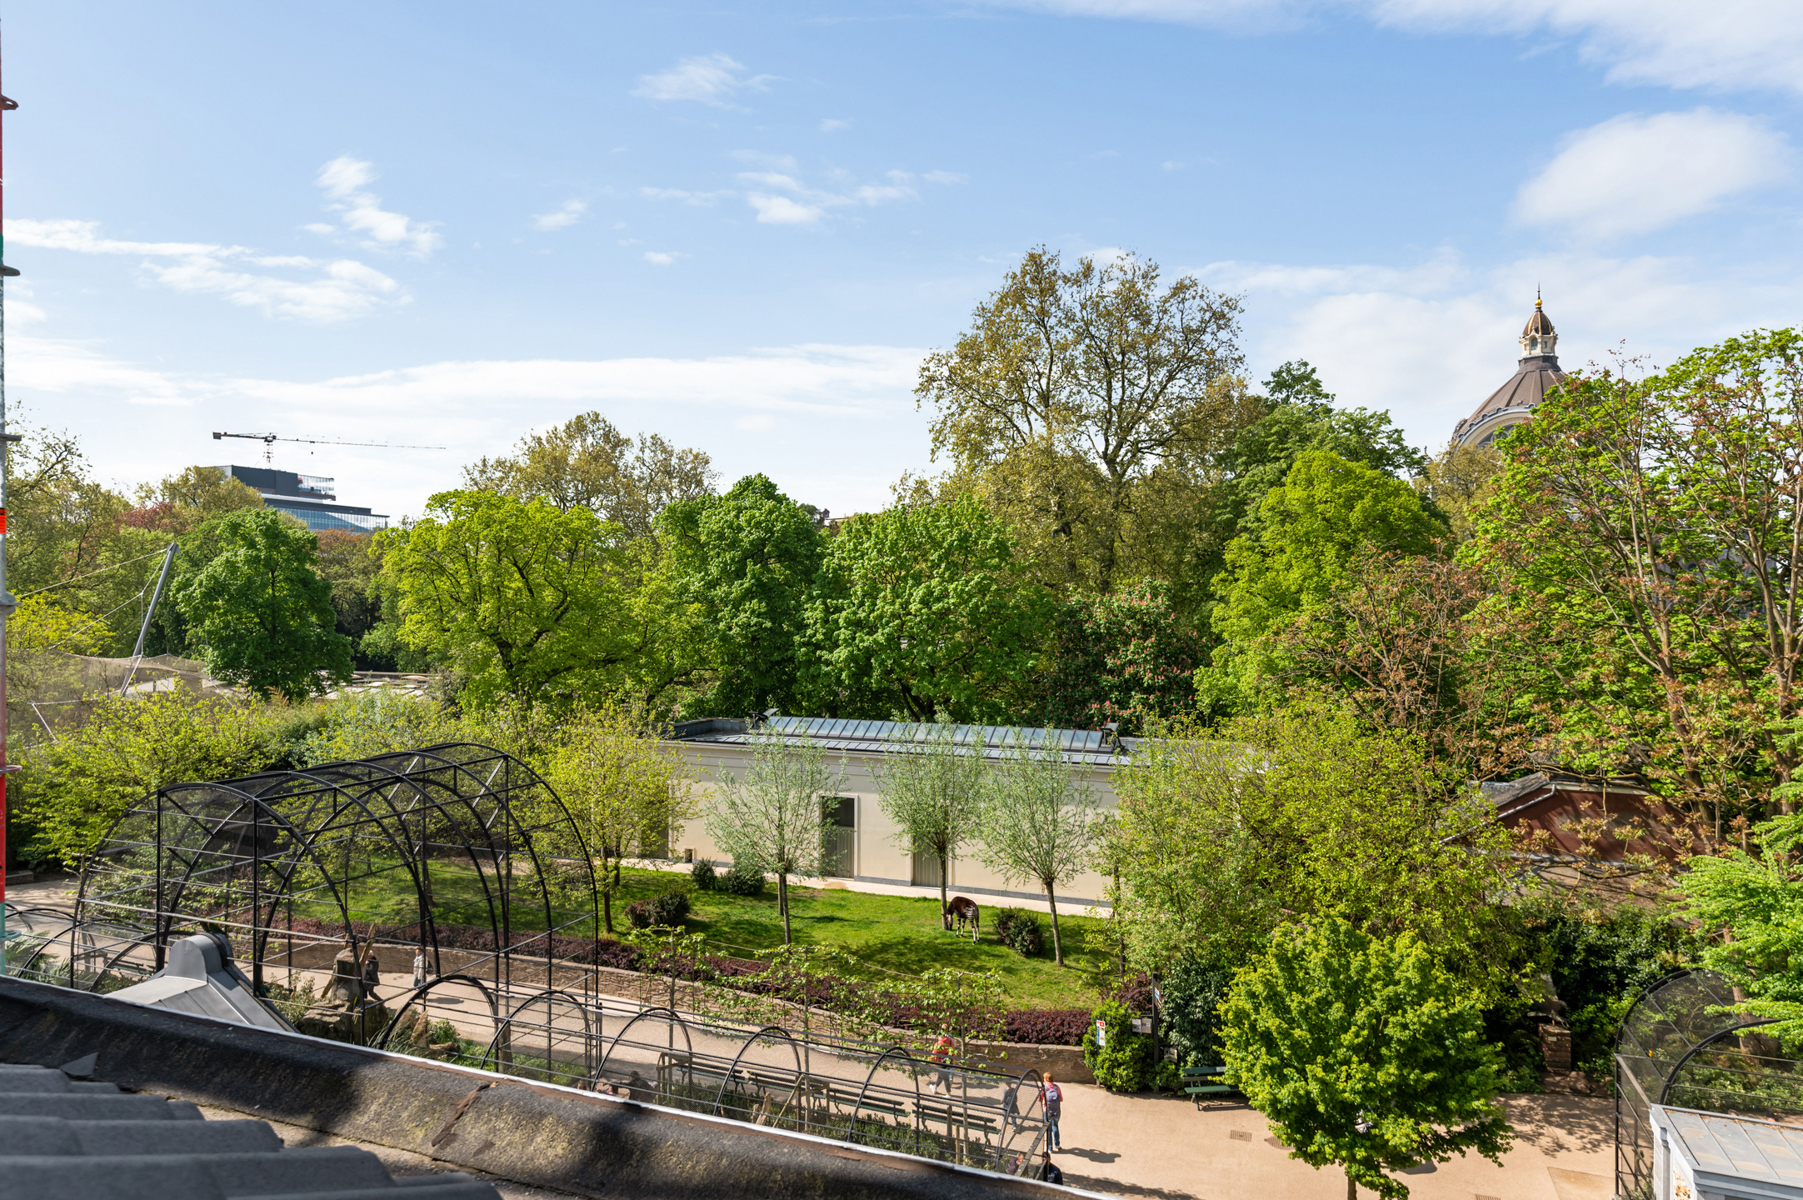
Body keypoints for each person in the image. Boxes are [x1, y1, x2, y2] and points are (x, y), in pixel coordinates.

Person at [1041, 1072, 1063, 1151]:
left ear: (1046, 1079)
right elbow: (1061, 1099)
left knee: (1049, 1129)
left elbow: (1039, 1099)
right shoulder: (1057, 1087)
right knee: (1055, 1126)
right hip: (1056, 1111)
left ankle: (1050, 1148)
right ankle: (1057, 1145)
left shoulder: (1044, 1088)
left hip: (1047, 1111)